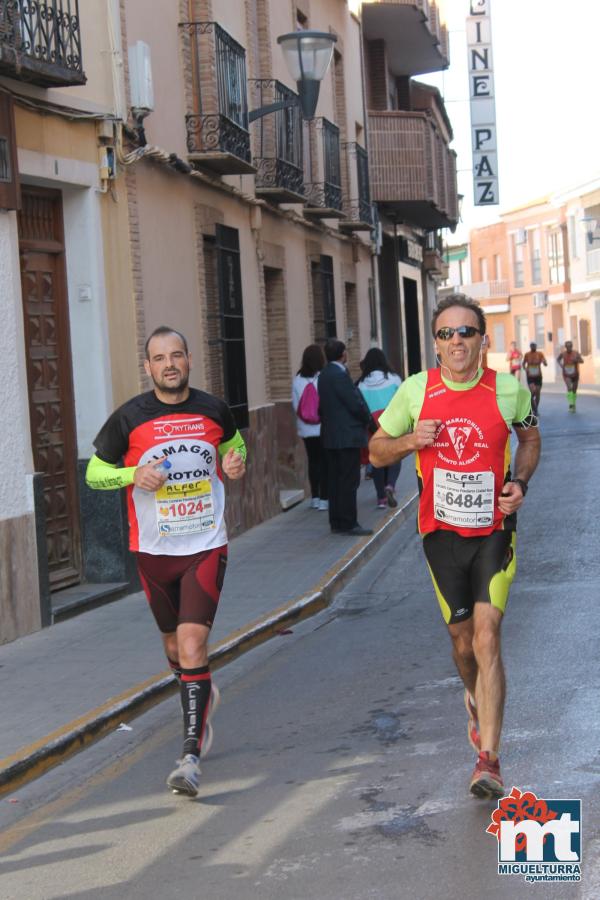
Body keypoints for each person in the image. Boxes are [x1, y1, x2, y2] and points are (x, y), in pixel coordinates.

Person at [369, 294, 541, 799]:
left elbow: (529, 440)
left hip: (493, 529)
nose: (456, 341)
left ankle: (488, 760)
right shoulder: (415, 392)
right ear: (436, 344)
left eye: (466, 332)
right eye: (446, 334)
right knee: (462, 642)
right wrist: (409, 442)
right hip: (440, 534)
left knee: (487, 637)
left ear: (483, 339)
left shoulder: (507, 391)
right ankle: (473, 695)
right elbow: (377, 451)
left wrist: (521, 484)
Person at [86, 326, 246, 797]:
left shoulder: (213, 408)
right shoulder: (129, 417)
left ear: (189, 360)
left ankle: (190, 757)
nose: (169, 364)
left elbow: (232, 447)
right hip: (154, 551)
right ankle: (198, 689)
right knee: (175, 650)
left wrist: (236, 461)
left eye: (177, 355)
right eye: (160, 358)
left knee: (194, 645)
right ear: (148, 366)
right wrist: (134, 473)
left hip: (205, 545)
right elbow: (95, 473)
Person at [318, 338, 373, 536]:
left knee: (335, 481)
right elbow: (354, 403)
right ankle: (349, 522)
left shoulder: (324, 375)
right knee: (348, 481)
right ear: (343, 354)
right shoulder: (339, 375)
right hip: (346, 436)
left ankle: (337, 521)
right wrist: (367, 419)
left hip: (331, 436)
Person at [357, 348, 402, 509]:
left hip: (372, 427)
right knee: (395, 456)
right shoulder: (394, 379)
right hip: (392, 424)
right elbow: (402, 400)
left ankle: (381, 498)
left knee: (376, 460)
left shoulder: (361, 384)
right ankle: (390, 485)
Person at [292, 344, 328, 511]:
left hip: (306, 428)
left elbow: (295, 405)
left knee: (313, 462)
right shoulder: (323, 377)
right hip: (323, 426)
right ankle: (325, 499)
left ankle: (314, 497)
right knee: (325, 462)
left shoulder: (297, 380)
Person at [557, 340, 584, 412]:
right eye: (567, 346)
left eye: (570, 346)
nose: (569, 348)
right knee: (570, 388)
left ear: (572, 346)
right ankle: (571, 404)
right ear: (565, 347)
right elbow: (558, 359)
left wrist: (576, 360)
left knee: (574, 390)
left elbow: (582, 361)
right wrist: (561, 365)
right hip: (566, 374)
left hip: (575, 374)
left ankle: (573, 404)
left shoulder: (576, 353)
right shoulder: (563, 353)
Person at [522, 342, 547, 415]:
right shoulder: (527, 354)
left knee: (538, 393)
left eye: (534, 346)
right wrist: (525, 368)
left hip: (538, 376)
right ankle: (532, 407)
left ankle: (535, 409)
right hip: (530, 376)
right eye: (532, 346)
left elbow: (545, 362)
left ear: (536, 346)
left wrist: (544, 362)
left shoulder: (540, 354)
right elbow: (523, 363)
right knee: (533, 391)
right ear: (530, 346)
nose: (533, 347)